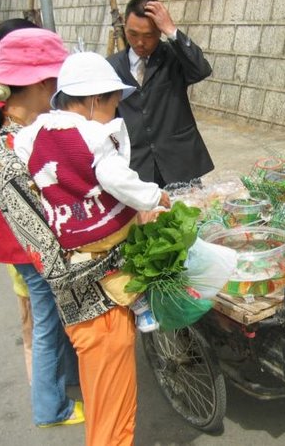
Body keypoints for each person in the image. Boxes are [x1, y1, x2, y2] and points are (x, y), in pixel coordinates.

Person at [0, 28, 138, 445]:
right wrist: (124, 251)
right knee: (112, 424)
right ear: (42, 84)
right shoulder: (11, 154)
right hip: (93, 303)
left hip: (108, 298)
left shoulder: (44, 136)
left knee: (116, 413)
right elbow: (51, 259)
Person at [0, 21, 81, 424]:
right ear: (35, 83)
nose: (55, 90)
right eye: (52, 81)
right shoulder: (13, 138)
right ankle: (50, 407)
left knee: (54, 314)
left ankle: (70, 383)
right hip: (25, 243)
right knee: (47, 322)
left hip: (7, 236)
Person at [15, 51, 171, 333]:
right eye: (113, 106)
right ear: (96, 100)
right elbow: (117, 178)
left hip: (70, 230)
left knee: (103, 267)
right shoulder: (91, 136)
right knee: (134, 248)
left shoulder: (34, 132)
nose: (114, 113)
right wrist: (153, 195)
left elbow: (23, 152)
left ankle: (134, 304)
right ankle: (142, 305)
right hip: (104, 225)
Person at [107, 0, 214, 186]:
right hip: (137, 166)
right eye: (133, 34)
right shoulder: (111, 66)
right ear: (124, 26)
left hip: (180, 161)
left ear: (159, 32)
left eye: (148, 36)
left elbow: (201, 70)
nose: (140, 42)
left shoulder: (173, 57)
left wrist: (171, 30)